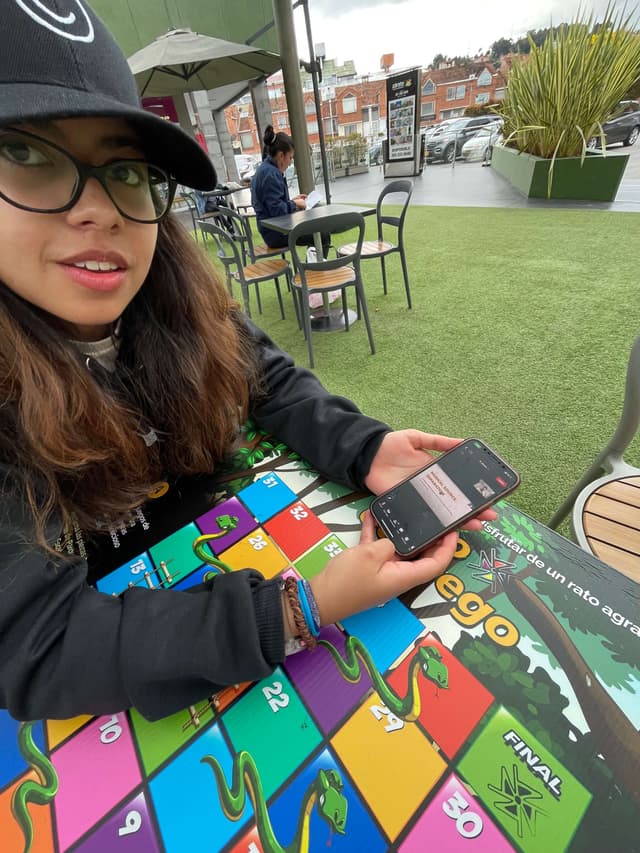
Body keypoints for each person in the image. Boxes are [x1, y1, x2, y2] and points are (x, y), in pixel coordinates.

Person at [0, 1, 495, 724]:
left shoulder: (171, 294)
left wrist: (364, 445)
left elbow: (264, 373)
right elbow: (43, 650)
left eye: (127, 168)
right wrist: (298, 607)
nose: (100, 209)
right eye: (27, 154)